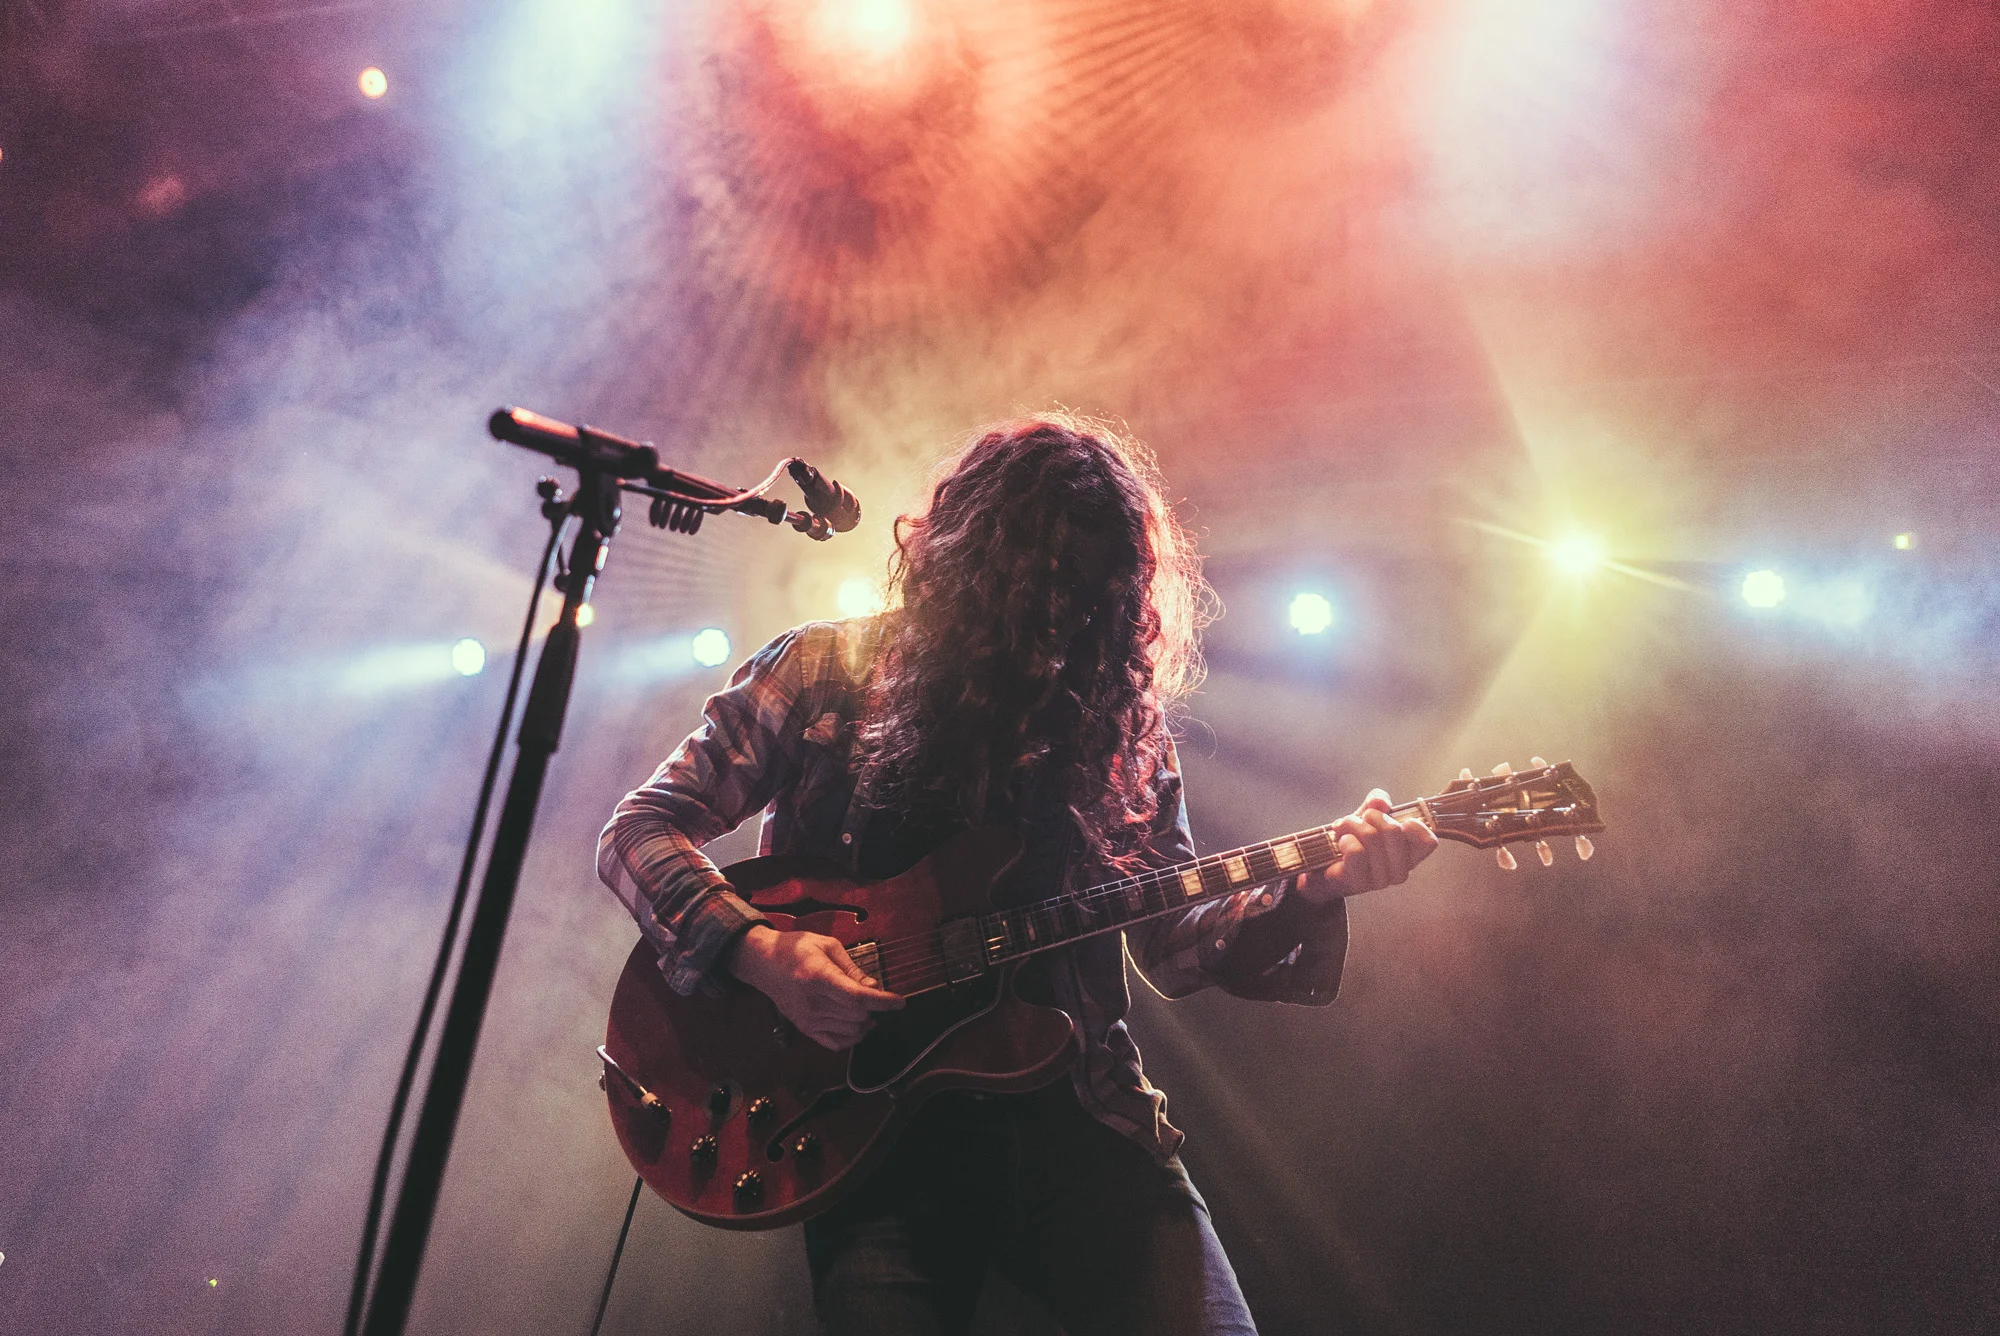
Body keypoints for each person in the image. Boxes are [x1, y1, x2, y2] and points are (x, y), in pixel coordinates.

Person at [597, 416, 1439, 1335]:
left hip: (1085, 1126)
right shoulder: (823, 671)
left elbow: (1180, 950)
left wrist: (1313, 889)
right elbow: (639, 830)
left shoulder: (1122, 734)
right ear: (964, 567)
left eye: (1085, 597)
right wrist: (760, 953)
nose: (1055, 622)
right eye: (1031, 588)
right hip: (877, 1145)